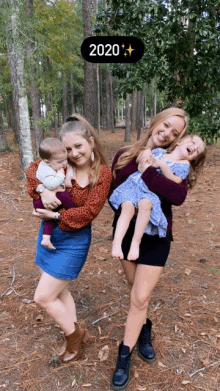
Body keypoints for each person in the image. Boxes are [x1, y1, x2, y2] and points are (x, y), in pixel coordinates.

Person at [109, 108, 206, 391]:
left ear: (178, 140)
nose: (167, 133)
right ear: (155, 122)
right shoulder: (125, 153)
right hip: (127, 231)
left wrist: (149, 171)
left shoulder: (175, 165)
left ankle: (123, 356)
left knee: (139, 298)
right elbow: (116, 192)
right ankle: (144, 327)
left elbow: (176, 196)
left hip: (156, 236)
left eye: (175, 133)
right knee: (133, 286)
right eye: (166, 126)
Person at [26, 114, 112, 364]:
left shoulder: (102, 174)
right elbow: (32, 170)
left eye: (78, 146)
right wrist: (42, 190)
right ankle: (71, 331)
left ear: (91, 143)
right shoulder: (60, 164)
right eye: (68, 149)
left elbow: (89, 213)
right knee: (60, 292)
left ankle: (76, 336)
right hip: (50, 235)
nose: (73, 153)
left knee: (42, 297)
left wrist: (52, 213)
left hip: (74, 241)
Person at [109, 135, 206, 262]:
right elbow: (140, 160)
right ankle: (116, 243)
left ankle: (135, 243)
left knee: (146, 205)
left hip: (149, 192)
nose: (194, 148)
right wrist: (146, 151)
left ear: (194, 159)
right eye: (193, 142)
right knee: (127, 207)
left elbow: (176, 180)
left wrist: (162, 165)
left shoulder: (184, 164)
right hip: (134, 185)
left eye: (197, 151)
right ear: (179, 142)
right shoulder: (159, 152)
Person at [33, 138, 75, 250]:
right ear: (47, 162)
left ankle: (46, 239)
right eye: (60, 162)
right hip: (42, 200)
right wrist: (61, 175)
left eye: (65, 160)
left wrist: (68, 176)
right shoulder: (44, 170)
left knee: (49, 219)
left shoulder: (53, 163)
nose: (64, 164)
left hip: (47, 197)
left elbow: (68, 167)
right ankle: (71, 211)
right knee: (65, 196)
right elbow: (51, 185)